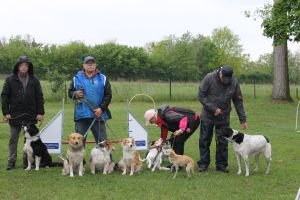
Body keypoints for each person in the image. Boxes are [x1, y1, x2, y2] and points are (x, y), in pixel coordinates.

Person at [197, 65, 248, 173]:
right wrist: (213, 108)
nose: (226, 81)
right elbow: (201, 95)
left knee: (223, 141)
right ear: (220, 73)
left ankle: (221, 165)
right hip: (208, 115)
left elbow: (238, 101)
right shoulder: (209, 78)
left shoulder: (234, 82)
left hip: (224, 116)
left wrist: (242, 119)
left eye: (228, 79)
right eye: (224, 78)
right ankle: (203, 164)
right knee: (204, 140)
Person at [1, 56, 45, 170]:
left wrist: (40, 112)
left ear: (29, 67)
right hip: (15, 114)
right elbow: (4, 96)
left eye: (26, 65)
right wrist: (6, 112)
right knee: (13, 139)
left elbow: (39, 97)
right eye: (21, 65)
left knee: (29, 140)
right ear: (18, 67)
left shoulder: (34, 79)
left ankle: (27, 162)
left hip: (30, 114)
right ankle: (11, 161)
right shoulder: (10, 79)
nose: (24, 67)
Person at [68, 56, 112, 146]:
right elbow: (70, 92)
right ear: (83, 65)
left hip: (98, 114)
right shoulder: (76, 78)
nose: (90, 65)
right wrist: (75, 94)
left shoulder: (103, 78)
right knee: (78, 143)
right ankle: (79, 160)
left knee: (102, 142)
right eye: (88, 63)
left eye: (92, 63)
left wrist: (101, 108)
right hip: (81, 115)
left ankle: (106, 160)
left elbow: (108, 95)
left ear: (95, 65)